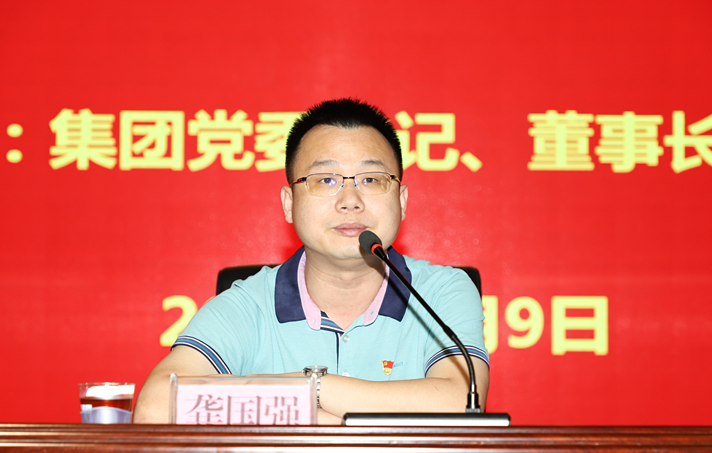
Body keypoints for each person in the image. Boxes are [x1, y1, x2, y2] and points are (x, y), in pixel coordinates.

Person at [134, 98, 489, 424]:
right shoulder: (249, 303)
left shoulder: (442, 291)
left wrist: (314, 388)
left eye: (371, 179)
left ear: (402, 200)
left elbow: (462, 401)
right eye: (326, 180)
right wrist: (329, 422)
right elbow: (155, 408)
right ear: (289, 204)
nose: (350, 200)